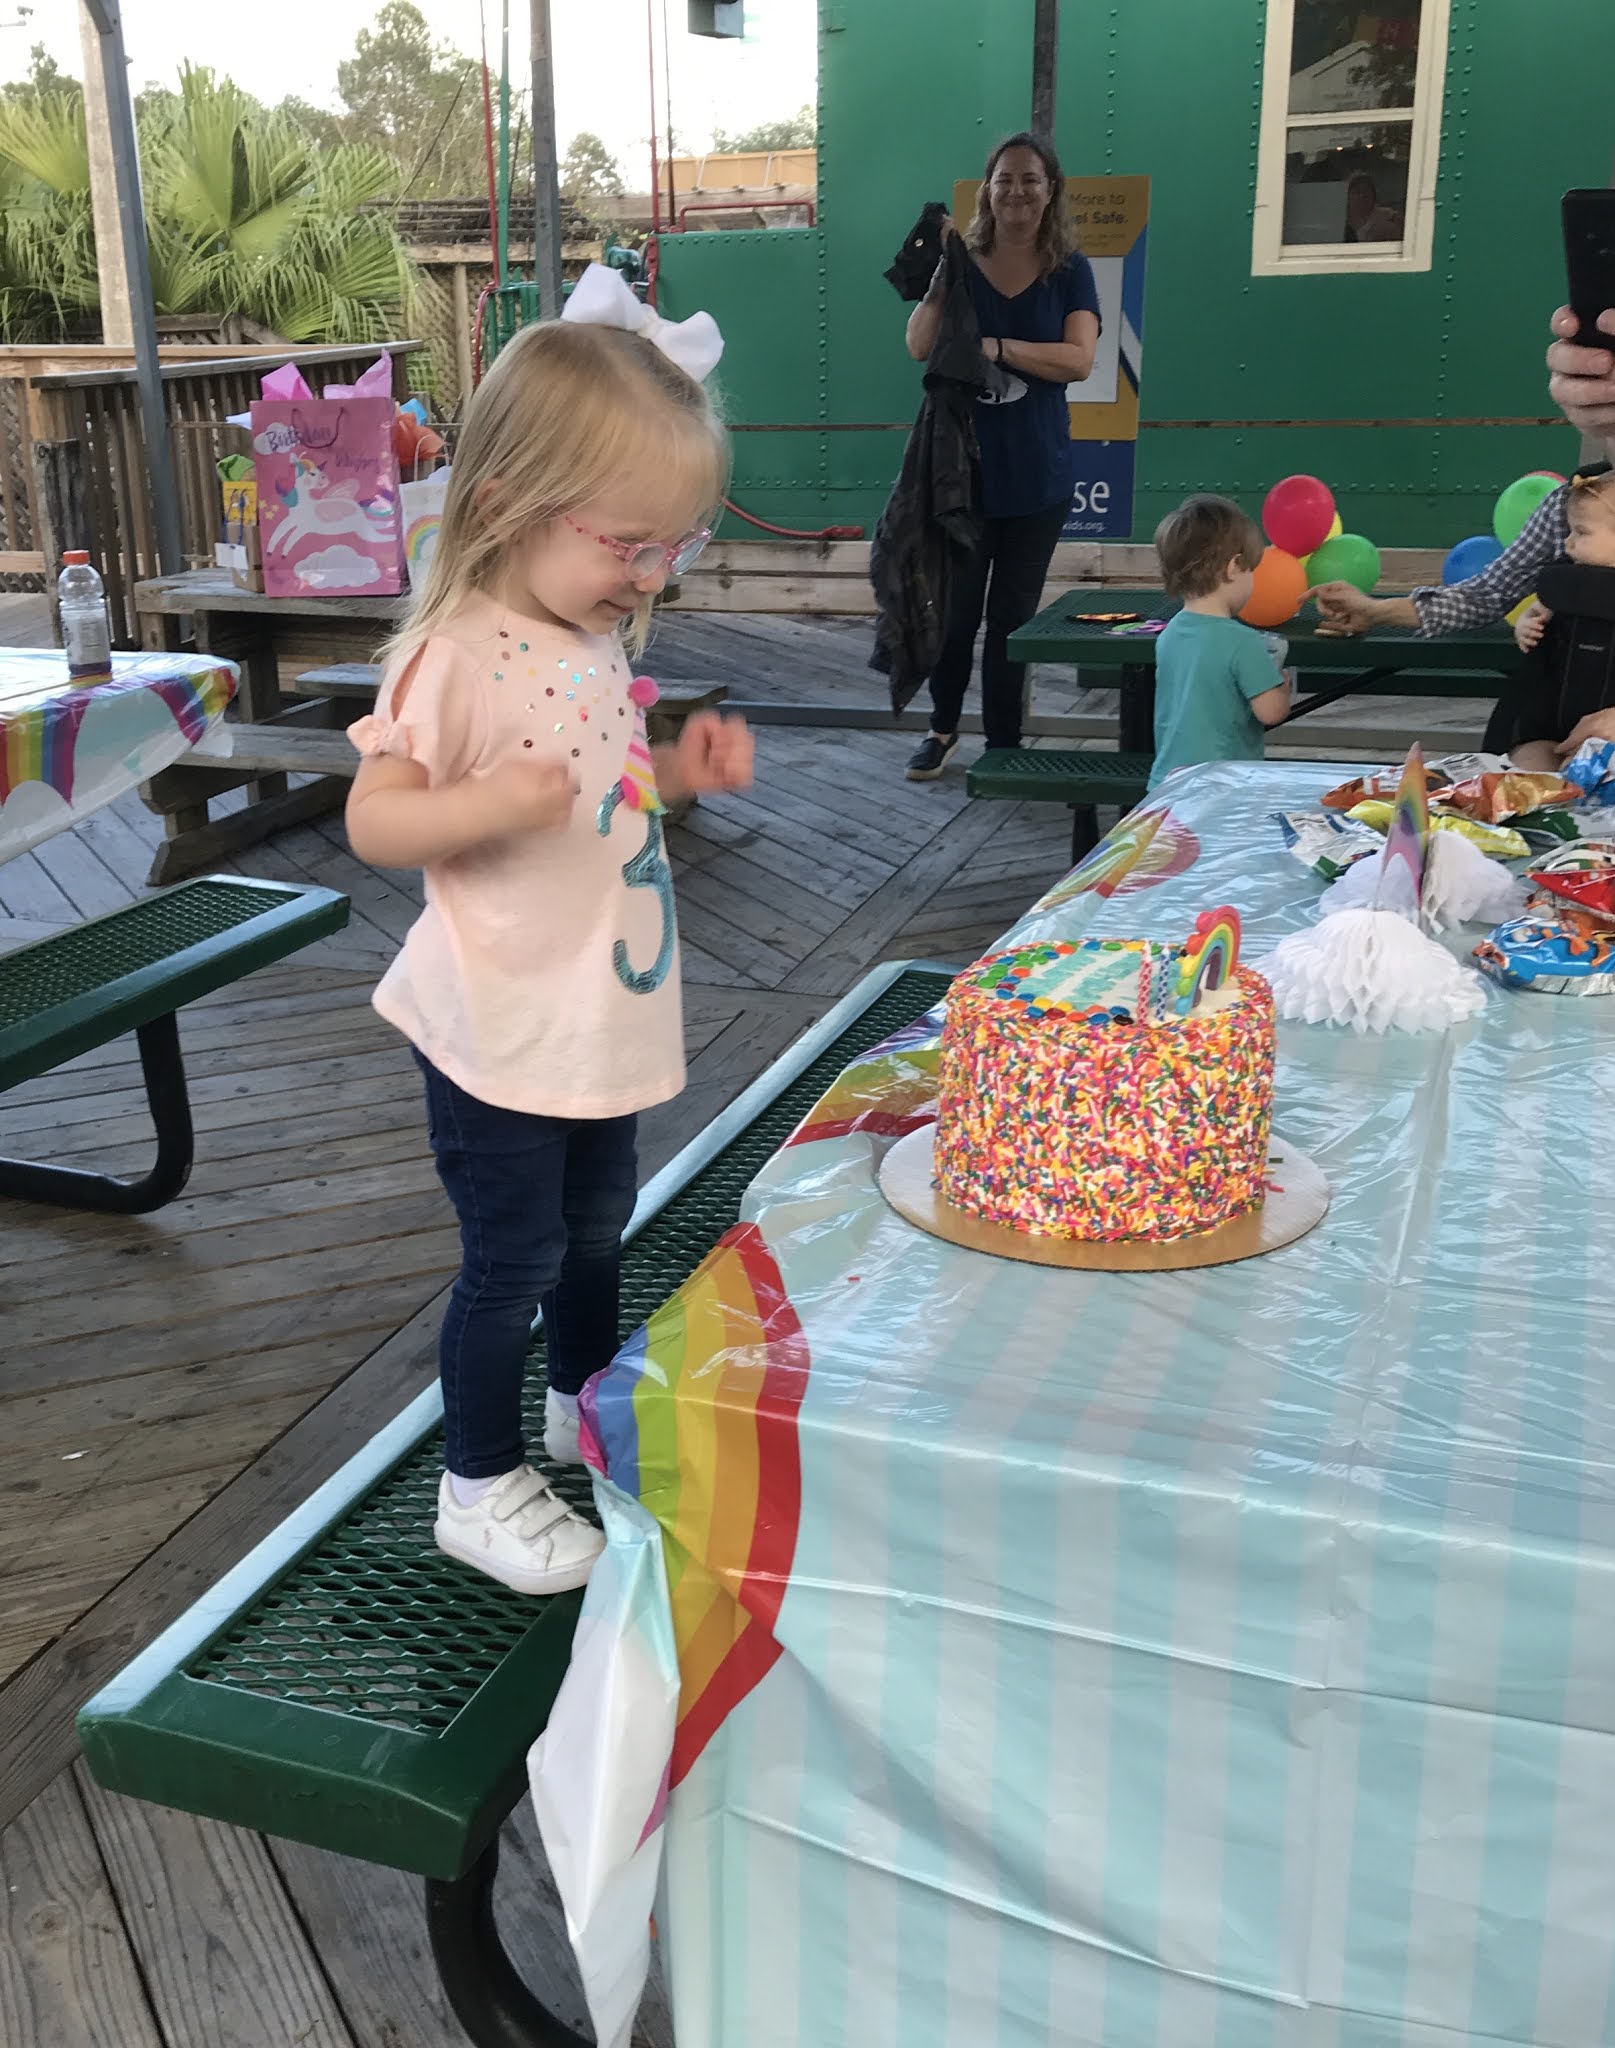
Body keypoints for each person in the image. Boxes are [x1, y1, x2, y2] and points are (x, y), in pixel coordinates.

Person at [344, 271, 754, 1598]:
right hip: (500, 1026)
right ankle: (475, 1481)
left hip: (593, 1014)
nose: (649, 575)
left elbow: (599, 794)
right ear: (508, 504)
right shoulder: (456, 655)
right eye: (627, 544)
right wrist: (477, 805)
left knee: (596, 1226)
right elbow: (374, 819)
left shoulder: (584, 632)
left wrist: (676, 773)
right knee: (511, 1257)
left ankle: (581, 1401)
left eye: (671, 548)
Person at [901, 132, 1100, 780]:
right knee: (956, 617)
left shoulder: (1071, 270)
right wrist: (941, 277)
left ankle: (1003, 743)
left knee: (1012, 621)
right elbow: (918, 344)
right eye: (1004, 179)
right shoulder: (963, 261)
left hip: (1038, 478)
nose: (1016, 190)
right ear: (987, 190)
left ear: (1050, 190)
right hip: (962, 478)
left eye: (1030, 179)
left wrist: (996, 347)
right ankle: (941, 729)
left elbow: (1079, 360)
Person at [1148, 494, 1293, 792]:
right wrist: (1281, 687)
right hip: (1223, 785)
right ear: (1234, 567)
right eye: (1251, 569)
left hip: (1168, 782)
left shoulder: (1170, 633)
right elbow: (1270, 712)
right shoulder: (1243, 641)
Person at [1495, 465, 1615, 769]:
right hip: (1553, 720)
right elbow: (1543, 609)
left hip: (1606, 732)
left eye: (1581, 532)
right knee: (1527, 766)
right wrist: (1529, 623)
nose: (1567, 543)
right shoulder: (1567, 584)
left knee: (1582, 771)